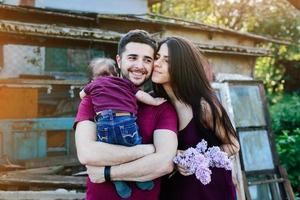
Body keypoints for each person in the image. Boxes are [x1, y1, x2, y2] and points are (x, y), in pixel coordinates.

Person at [74, 30, 178, 200]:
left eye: (147, 60)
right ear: (119, 60)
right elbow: (87, 153)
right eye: (132, 58)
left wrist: (107, 173)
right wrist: (150, 150)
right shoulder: (94, 100)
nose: (139, 65)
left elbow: (164, 164)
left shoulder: (162, 107)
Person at [151, 36, 240, 200]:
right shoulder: (153, 104)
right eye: (157, 57)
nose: (157, 63)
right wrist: (173, 154)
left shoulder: (203, 105)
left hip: (212, 192)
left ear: (182, 66)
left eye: (167, 60)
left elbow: (233, 145)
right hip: (175, 191)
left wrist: (197, 158)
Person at [79, 57, 166, 198]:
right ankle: (142, 180)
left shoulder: (93, 85)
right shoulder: (124, 83)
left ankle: (118, 182)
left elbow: (82, 95)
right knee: (133, 147)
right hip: (125, 120)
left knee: (106, 154)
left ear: (93, 78)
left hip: (103, 123)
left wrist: (92, 91)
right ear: (116, 73)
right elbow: (141, 96)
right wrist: (155, 102)